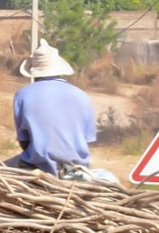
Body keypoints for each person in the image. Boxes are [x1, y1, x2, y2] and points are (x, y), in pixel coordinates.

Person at [7, 40, 96, 177]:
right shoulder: (82, 96)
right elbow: (86, 140)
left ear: (33, 71)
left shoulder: (22, 95)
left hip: (36, 167)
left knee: (0, 169)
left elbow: (24, 141)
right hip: (76, 168)